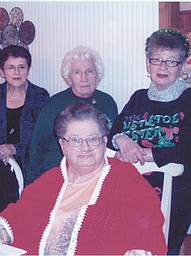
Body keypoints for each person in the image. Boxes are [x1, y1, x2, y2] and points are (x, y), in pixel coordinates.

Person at [0, 102, 166, 255]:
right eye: (75, 140)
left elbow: (146, 239)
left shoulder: (127, 181)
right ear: (62, 145)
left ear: (104, 142)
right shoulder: (49, 182)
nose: (85, 148)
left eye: (93, 139)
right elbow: (16, 219)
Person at [108, 29, 191, 254]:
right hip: (124, 193)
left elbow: (186, 150)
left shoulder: (188, 100)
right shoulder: (137, 98)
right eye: (156, 60)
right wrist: (122, 140)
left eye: (171, 61)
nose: (162, 67)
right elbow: (111, 136)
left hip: (171, 198)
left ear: (183, 66)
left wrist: (143, 156)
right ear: (148, 64)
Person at [26, 46, 118, 185]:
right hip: (57, 173)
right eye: (77, 72)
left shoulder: (107, 102)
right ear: (69, 79)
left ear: (97, 75)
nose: (84, 78)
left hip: (95, 174)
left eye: (89, 71)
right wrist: (33, 185)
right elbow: (36, 147)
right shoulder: (55, 104)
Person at [0, 45, 49, 177]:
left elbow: (43, 136)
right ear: (2, 72)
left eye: (21, 67)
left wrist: (15, 148)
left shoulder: (40, 96)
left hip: (29, 164)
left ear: (28, 70)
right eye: (10, 67)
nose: (17, 72)